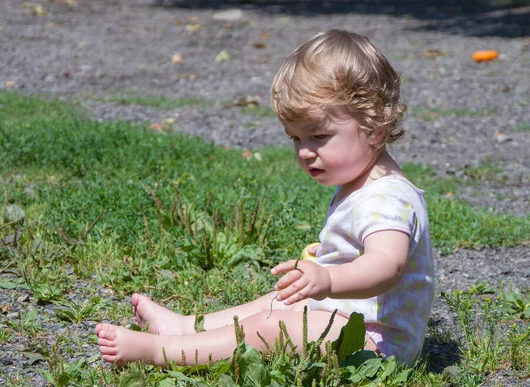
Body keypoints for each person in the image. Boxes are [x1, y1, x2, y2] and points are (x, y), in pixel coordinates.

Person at [95, 29, 435, 367]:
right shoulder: (362, 182)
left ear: (374, 129)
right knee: (279, 301)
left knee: (271, 327)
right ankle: (185, 326)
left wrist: (329, 278)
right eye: (295, 138)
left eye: (318, 136)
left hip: (376, 345)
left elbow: (387, 266)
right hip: (349, 323)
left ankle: (161, 353)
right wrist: (332, 259)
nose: (304, 151)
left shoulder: (386, 198)